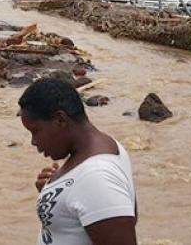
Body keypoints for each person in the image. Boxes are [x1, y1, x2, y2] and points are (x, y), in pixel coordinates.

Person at [19, 78, 137, 245]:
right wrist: (54, 190)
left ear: (60, 120)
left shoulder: (97, 177)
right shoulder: (99, 150)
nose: (34, 141)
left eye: (35, 131)